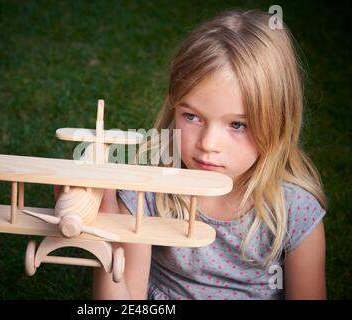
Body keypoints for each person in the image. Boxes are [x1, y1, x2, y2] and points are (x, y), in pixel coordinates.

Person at [57, 9, 327, 300]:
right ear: (174, 108)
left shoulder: (295, 212)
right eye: (192, 116)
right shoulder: (145, 195)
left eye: (237, 124)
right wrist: (105, 226)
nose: (208, 143)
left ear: (278, 122)